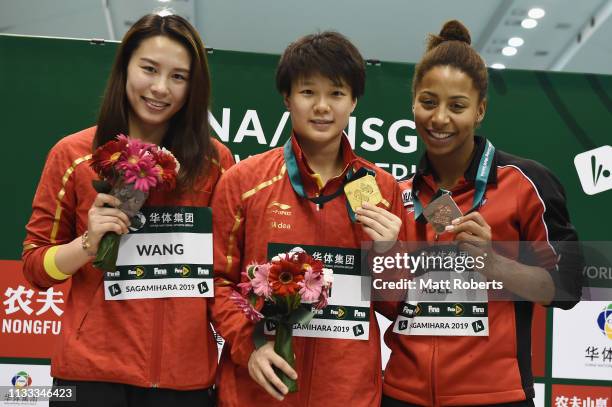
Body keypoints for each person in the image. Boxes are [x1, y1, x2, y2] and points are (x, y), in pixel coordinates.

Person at [22, 13, 233, 407]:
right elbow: (35, 266)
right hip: (89, 380)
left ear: (194, 87)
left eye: (178, 77)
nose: (159, 88)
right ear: (124, 69)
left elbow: (228, 267)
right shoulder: (72, 155)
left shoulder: (216, 163)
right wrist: (86, 244)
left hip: (184, 383)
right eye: (149, 69)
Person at [382, 20, 582, 407]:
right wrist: (384, 260)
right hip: (402, 394)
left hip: (495, 396)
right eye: (428, 102)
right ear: (412, 103)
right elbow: (392, 305)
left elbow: (570, 286)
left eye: (457, 106)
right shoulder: (399, 194)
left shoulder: (525, 183)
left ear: (480, 110)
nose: (439, 118)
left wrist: (495, 265)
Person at [210, 31, 407, 406]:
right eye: (307, 92)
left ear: (353, 101)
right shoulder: (243, 181)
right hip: (258, 393)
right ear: (287, 98)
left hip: (348, 395)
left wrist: (390, 254)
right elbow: (218, 281)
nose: (321, 106)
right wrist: (248, 346)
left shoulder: (382, 188)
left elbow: (393, 305)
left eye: (335, 93)